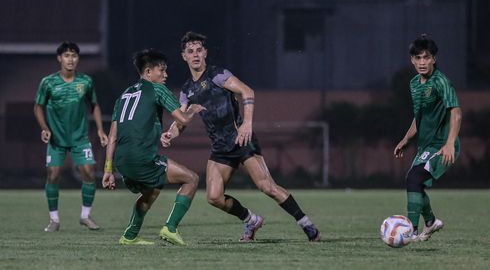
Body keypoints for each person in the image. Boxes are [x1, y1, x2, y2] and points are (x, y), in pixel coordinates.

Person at [161, 31, 320, 242]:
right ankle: (251, 220)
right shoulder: (187, 90)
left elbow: (247, 92)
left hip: (242, 140)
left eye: (199, 50)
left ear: (205, 53)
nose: (195, 54)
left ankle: (307, 225)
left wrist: (247, 123)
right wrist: (170, 134)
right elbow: (181, 120)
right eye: (190, 51)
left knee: (267, 187)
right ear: (184, 56)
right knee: (214, 197)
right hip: (220, 147)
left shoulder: (217, 75)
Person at [102, 49, 205, 246]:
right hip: (141, 157)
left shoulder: (124, 95)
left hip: (121, 161)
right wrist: (192, 109)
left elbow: (112, 136)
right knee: (191, 179)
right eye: (162, 70)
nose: (165, 75)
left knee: (152, 191)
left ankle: (130, 236)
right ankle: (170, 228)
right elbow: (182, 119)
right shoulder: (157, 89)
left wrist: (108, 169)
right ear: (148, 72)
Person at [34, 41, 108, 232]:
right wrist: (44, 127)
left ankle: (85, 216)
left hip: (79, 138)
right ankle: (54, 220)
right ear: (60, 58)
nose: (70, 59)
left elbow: (95, 105)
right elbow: (38, 107)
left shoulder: (85, 82)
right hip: (56, 139)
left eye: (74, 55)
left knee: (89, 173)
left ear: (78, 59)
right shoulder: (48, 82)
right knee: (53, 175)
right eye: (66, 55)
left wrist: (100, 129)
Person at [394, 34, 462, 241]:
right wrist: (406, 140)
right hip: (426, 146)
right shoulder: (414, 83)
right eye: (418, 58)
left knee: (414, 179)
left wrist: (450, 143)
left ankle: (411, 231)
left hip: (442, 145)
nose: (422, 62)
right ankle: (431, 222)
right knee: (414, 182)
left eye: (426, 57)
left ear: (434, 59)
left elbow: (456, 112)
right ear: (412, 60)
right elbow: (419, 117)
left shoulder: (441, 81)